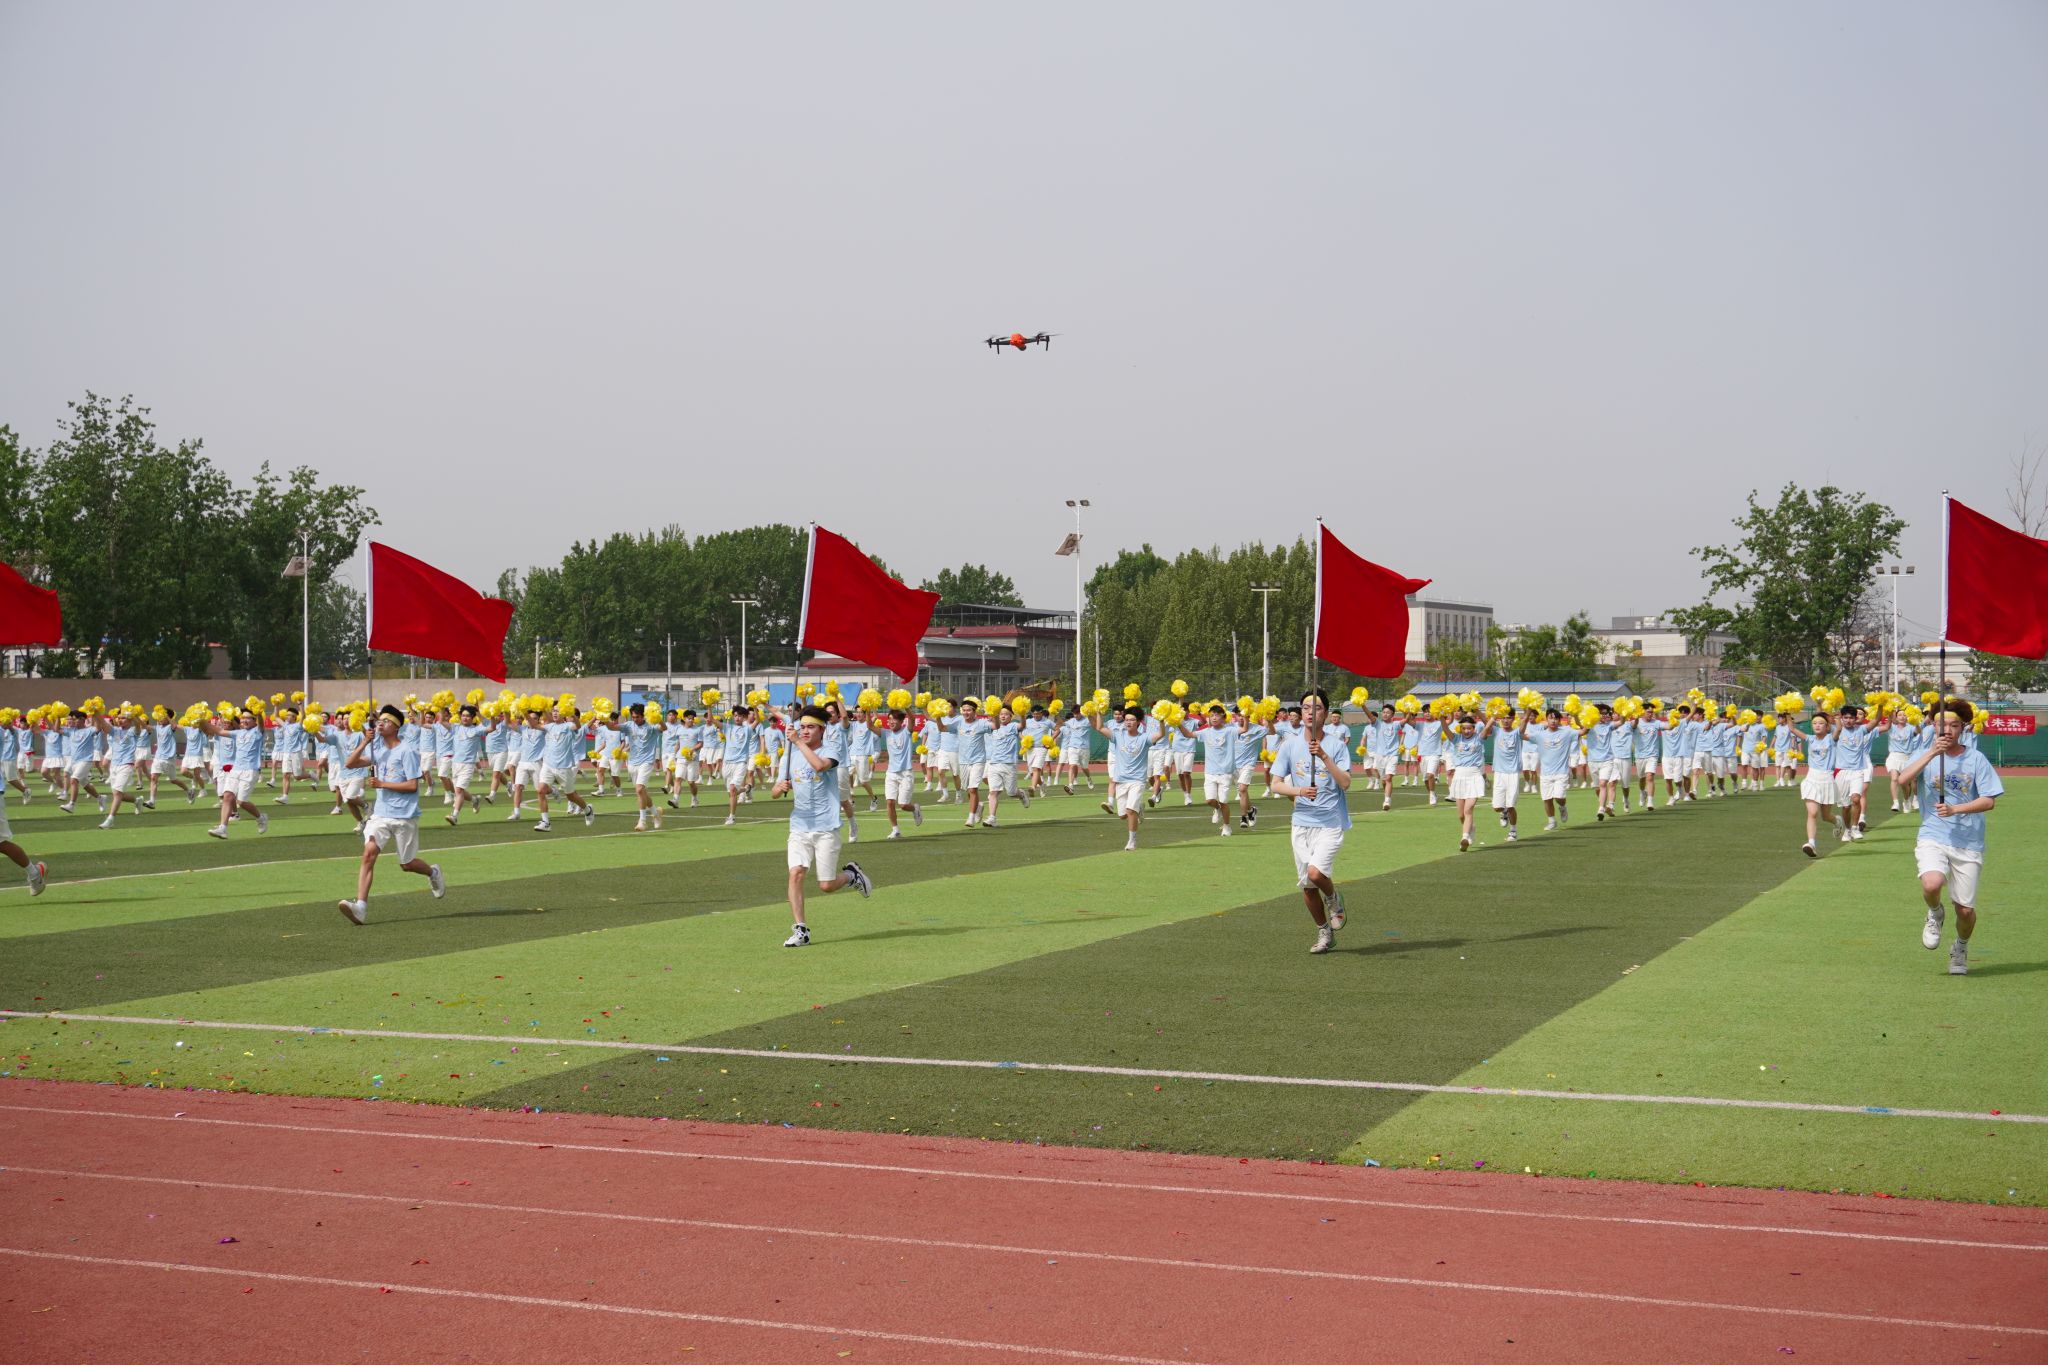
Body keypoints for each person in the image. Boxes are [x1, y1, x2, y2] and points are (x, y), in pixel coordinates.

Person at [1895, 698, 2001, 976]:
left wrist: (1956, 809)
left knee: (1965, 911)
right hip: (1933, 833)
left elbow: (1989, 800)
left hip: (1969, 841)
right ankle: (1935, 913)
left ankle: (1960, 946)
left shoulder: (1976, 759)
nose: (1948, 730)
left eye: (1954, 725)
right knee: (1932, 883)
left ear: (1962, 728)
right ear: (1933, 725)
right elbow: (1902, 780)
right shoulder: (1925, 753)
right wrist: (1932, 753)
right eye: (1942, 724)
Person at [337, 704, 446, 925]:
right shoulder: (378, 751)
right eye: (380, 721)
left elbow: (412, 786)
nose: (380, 724)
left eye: (386, 722)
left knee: (407, 864)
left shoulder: (407, 751)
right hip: (381, 814)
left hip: (404, 815)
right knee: (368, 854)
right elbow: (350, 763)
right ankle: (360, 907)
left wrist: (382, 784)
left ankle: (433, 873)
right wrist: (365, 742)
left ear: (396, 727)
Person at [772, 705, 872, 946]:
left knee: (826, 885)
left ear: (822, 730)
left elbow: (819, 766)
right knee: (796, 873)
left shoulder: (831, 750)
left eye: (811, 727)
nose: (805, 731)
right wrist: (779, 788)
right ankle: (801, 930)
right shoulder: (790, 755)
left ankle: (851, 875)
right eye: (802, 727)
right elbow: (775, 791)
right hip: (799, 826)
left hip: (826, 827)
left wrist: (797, 742)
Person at [1268, 687, 1351, 954]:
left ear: (1325, 713)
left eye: (1316, 708)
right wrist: (1299, 791)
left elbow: (1345, 783)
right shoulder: (1289, 745)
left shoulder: (1337, 746)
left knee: (1316, 874)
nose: (1310, 712)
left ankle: (1334, 899)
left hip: (1330, 822)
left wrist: (1324, 756)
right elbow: (1275, 784)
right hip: (1301, 823)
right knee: (1307, 887)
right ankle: (1324, 932)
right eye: (1305, 707)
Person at [197, 708, 270, 840]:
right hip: (236, 769)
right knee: (227, 796)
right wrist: (201, 720)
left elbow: (261, 723)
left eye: (248, 718)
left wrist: (258, 712)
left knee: (241, 802)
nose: (244, 720)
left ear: (254, 721)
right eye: (242, 718)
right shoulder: (238, 733)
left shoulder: (258, 732)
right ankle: (222, 828)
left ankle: (261, 818)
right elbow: (219, 731)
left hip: (250, 770)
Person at [1090, 703, 1152, 852]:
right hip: (1121, 780)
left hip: (1137, 780)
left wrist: (1162, 721)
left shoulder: (1144, 737)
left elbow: (1160, 735)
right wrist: (1099, 711)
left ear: (1138, 722)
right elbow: (1099, 727)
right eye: (1126, 719)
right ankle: (1139, 808)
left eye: (1132, 719)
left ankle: (1132, 840)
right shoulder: (1118, 735)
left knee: (1130, 811)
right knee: (1123, 815)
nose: (1128, 722)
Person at [533, 703, 598, 832]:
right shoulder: (549, 726)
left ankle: (587, 810)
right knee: (541, 790)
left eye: (558, 711)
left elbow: (578, 726)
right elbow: (534, 725)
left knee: (571, 796)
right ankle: (546, 822)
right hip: (548, 765)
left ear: (564, 714)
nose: (555, 713)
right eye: (553, 711)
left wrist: (572, 713)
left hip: (565, 766)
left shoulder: (569, 726)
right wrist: (525, 712)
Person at [1187, 703, 1239, 835]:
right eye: (1211, 715)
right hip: (1210, 772)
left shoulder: (1230, 731)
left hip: (1225, 773)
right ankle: (1217, 808)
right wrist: (1177, 723)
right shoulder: (1206, 732)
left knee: (1224, 801)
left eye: (1216, 715)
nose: (1214, 718)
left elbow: (1244, 729)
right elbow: (1188, 734)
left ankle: (1227, 826)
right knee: (1210, 800)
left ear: (1223, 717)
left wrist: (1246, 715)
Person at [1798, 711, 1841, 858]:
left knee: (1825, 816)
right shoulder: (1810, 739)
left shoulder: (1831, 739)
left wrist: (1837, 718)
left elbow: (1838, 729)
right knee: (1812, 813)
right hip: (1811, 778)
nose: (1817, 725)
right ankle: (1811, 844)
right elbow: (1792, 729)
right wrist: (1787, 713)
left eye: (1821, 723)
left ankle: (1837, 821)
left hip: (1827, 778)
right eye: (1815, 723)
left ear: (1827, 726)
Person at [1491, 709, 1532, 841]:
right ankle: (1503, 812)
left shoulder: (1517, 733)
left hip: (1513, 773)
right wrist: (1475, 710)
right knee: (1497, 807)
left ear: (1513, 719)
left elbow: (1524, 722)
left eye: (1508, 718)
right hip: (1499, 772)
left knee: (1511, 805)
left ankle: (1513, 831)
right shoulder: (1497, 731)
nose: (1505, 720)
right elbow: (1486, 721)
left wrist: (1529, 710)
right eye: (1503, 718)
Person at [1533, 708, 1575, 830]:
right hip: (1545, 773)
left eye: (1556, 718)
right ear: (1546, 719)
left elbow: (1583, 731)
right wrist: (1527, 713)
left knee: (1559, 797)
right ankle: (1551, 821)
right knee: (1547, 799)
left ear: (1560, 720)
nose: (1553, 721)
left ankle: (1562, 807)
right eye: (1551, 718)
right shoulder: (1540, 734)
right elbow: (1522, 735)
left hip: (1561, 772)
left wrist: (1577, 715)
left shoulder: (1567, 732)